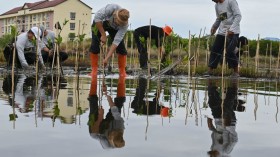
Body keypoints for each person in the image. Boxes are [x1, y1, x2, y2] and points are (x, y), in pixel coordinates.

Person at [206, 79, 245, 157]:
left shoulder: (212, 149)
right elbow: (234, 139)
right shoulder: (226, 152)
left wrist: (211, 128)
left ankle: (212, 82)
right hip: (229, 122)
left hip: (217, 120)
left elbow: (217, 134)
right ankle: (234, 83)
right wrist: (228, 126)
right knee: (227, 103)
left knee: (212, 102)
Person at [89, 4, 130, 76]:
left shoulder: (125, 25)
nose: (119, 24)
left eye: (121, 24)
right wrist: (103, 35)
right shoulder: (111, 9)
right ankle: (94, 70)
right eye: (118, 22)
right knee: (94, 45)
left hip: (114, 29)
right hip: (100, 23)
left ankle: (122, 72)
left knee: (121, 48)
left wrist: (107, 58)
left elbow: (116, 42)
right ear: (115, 16)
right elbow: (97, 18)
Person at [205, 0, 242, 77]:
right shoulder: (217, 5)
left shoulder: (231, 2)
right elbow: (220, 18)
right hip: (222, 31)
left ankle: (236, 72)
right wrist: (214, 26)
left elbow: (238, 16)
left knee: (229, 51)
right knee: (215, 50)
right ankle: (210, 71)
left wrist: (232, 29)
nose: (212, 0)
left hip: (233, 32)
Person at [88, 75, 126, 148]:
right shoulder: (120, 125)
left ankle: (93, 78)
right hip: (111, 122)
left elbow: (94, 133)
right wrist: (106, 93)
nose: (111, 134)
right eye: (114, 133)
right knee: (119, 104)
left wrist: (100, 117)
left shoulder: (105, 141)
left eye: (111, 137)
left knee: (93, 103)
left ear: (110, 141)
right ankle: (122, 77)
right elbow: (114, 110)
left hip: (98, 129)